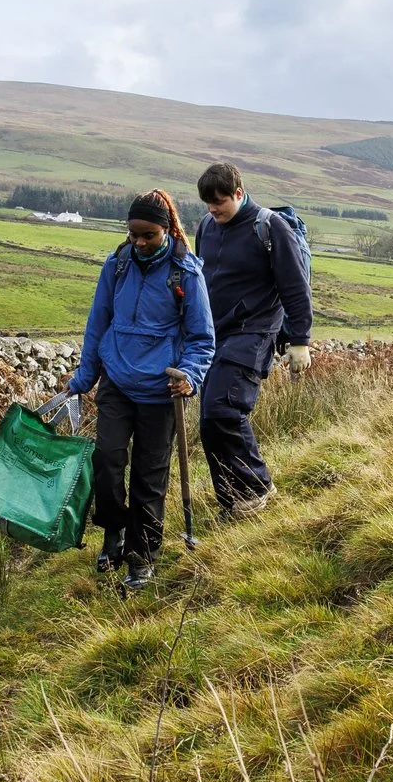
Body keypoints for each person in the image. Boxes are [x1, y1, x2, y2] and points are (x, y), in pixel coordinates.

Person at [65, 190, 216, 591]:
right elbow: (98, 323)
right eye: (133, 234)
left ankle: (141, 558)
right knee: (107, 461)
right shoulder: (116, 265)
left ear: (166, 230)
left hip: (161, 391)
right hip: (116, 381)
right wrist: (85, 376)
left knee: (149, 479)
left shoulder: (186, 273)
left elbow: (202, 339)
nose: (139, 243)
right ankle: (113, 530)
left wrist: (189, 374)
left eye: (147, 235)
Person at [192, 162, 313, 519]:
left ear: (239, 193)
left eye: (220, 202)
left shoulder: (270, 227)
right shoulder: (206, 227)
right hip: (214, 334)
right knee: (208, 421)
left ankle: (257, 488)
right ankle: (233, 499)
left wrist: (300, 340)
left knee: (224, 410)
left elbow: (295, 287)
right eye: (208, 204)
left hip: (255, 331)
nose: (214, 210)